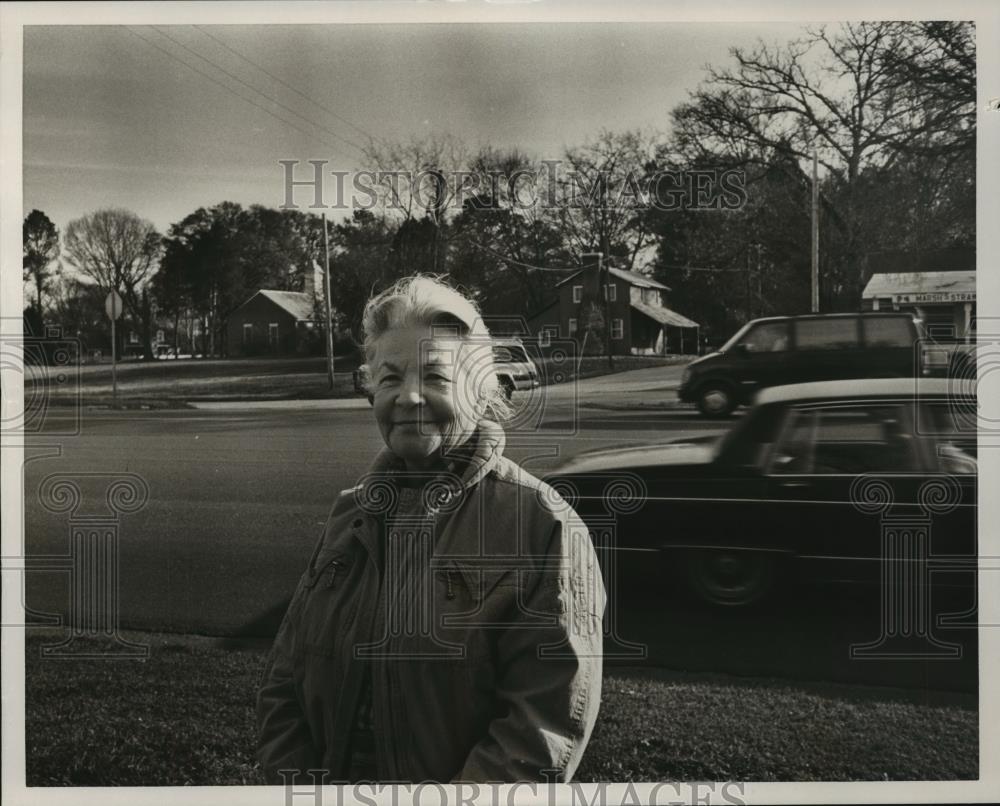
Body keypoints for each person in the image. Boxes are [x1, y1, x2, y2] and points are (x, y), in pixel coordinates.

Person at [256, 275, 606, 784]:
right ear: (370, 386)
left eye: (436, 377)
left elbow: (541, 728)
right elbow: (283, 684)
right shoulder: (348, 516)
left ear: (483, 391)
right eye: (391, 377)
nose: (409, 398)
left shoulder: (543, 527)